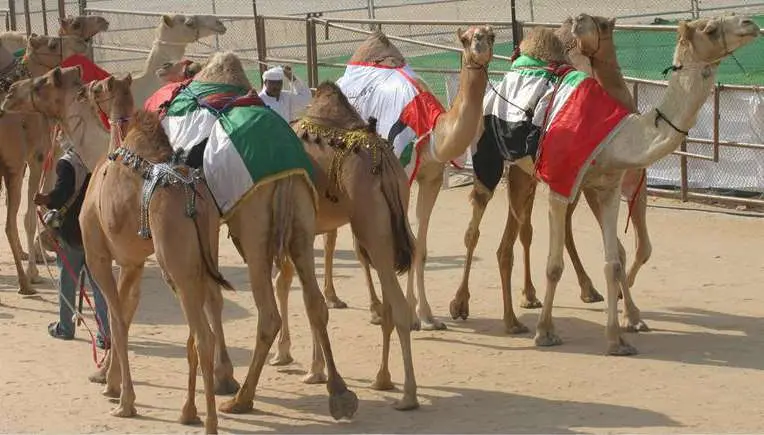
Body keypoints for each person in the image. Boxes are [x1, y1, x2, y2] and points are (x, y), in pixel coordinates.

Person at [33, 135, 110, 350]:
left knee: (67, 282)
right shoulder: (99, 160)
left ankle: (65, 328)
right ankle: (105, 334)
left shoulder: (67, 163)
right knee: (100, 286)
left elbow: (60, 195)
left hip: (71, 234)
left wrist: (44, 199)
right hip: (95, 233)